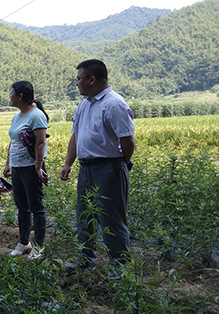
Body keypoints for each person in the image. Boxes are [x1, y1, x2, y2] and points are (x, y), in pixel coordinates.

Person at [60, 59, 135, 280]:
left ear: (91, 80)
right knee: (85, 216)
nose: (77, 84)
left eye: (79, 79)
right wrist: (68, 163)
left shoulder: (115, 104)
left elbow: (128, 141)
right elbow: (76, 135)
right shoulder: (85, 104)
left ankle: (119, 264)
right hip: (87, 169)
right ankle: (86, 258)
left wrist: (121, 164)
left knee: (111, 217)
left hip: (109, 167)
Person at [3, 81, 50, 260]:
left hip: (32, 168)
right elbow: (13, 141)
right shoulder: (17, 116)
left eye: (11, 93)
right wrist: (8, 163)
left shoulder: (37, 116)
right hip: (18, 167)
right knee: (22, 207)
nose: (10, 96)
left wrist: (38, 166)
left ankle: (38, 246)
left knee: (36, 208)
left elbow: (40, 142)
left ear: (20, 96)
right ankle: (24, 242)